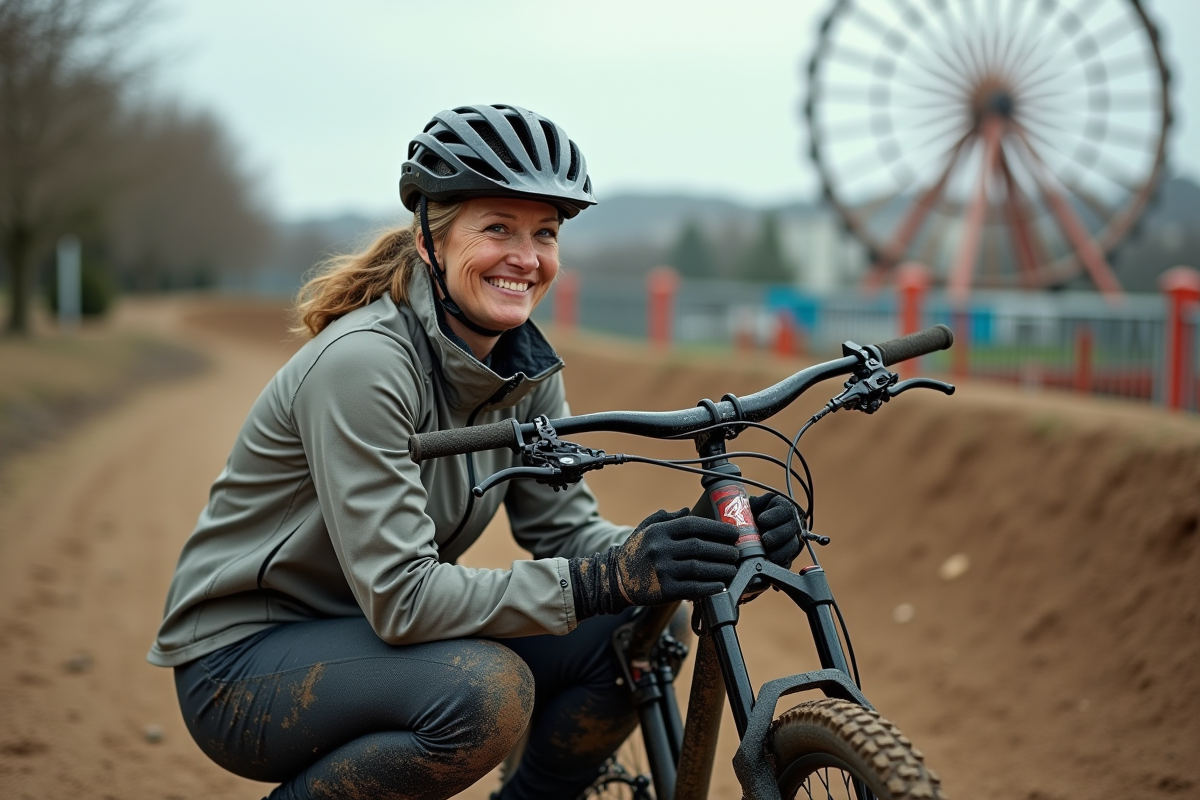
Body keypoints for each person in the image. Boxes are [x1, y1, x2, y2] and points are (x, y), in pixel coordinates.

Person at [148, 103, 801, 800]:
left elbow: (567, 532)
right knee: (485, 693)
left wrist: (681, 544)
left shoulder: (522, 370)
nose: (527, 258)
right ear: (431, 238)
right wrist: (604, 578)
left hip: (372, 637)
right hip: (244, 663)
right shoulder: (364, 364)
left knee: (641, 619)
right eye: (498, 228)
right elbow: (402, 596)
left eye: (544, 233)